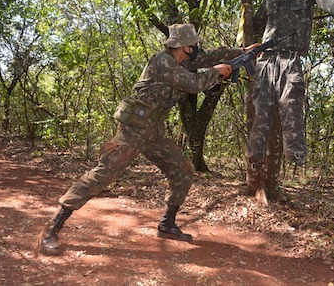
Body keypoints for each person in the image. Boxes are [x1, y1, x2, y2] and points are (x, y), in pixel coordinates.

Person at [38, 23, 259, 256]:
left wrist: (244, 51)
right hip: (134, 128)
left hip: (155, 131)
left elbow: (211, 56)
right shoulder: (162, 62)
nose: (197, 47)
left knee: (182, 170)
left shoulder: (184, 60)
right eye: (193, 44)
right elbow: (195, 85)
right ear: (183, 46)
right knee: (104, 174)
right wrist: (218, 72)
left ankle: (167, 224)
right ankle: (52, 228)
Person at [247, 0, 334, 172]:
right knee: (261, 112)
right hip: (266, 58)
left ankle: (296, 156)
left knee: (291, 105)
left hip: (289, 57)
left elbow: (333, 6)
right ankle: (255, 157)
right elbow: (257, 22)